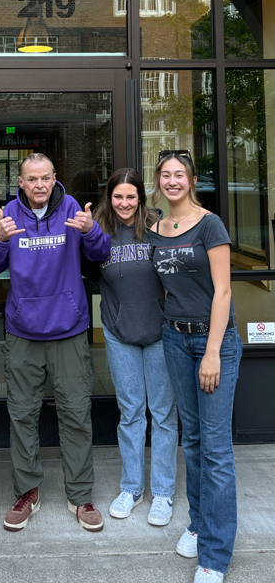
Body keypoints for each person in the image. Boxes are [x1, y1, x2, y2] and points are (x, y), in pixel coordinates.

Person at [0, 152, 111, 533]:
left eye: (45, 178)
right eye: (31, 179)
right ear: (19, 182)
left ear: (55, 178)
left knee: (76, 414)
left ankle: (80, 495)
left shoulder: (72, 209)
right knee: (22, 415)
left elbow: (101, 253)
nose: (39, 185)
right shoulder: (8, 215)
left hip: (68, 330)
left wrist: (90, 231)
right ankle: (27, 493)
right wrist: (0, 240)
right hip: (22, 332)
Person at [149, 151, 243, 583]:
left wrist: (210, 350)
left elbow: (222, 292)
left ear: (191, 179)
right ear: (158, 181)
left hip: (213, 342)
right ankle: (198, 523)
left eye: (179, 175)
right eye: (165, 175)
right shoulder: (157, 229)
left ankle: (216, 554)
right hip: (173, 338)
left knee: (217, 449)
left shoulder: (210, 225)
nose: (172, 181)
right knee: (194, 442)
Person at [93, 167, 178, 526]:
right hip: (118, 332)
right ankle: (131, 488)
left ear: (140, 198)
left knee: (162, 414)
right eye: (118, 197)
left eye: (131, 196)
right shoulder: (97, 232)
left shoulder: (160, 227)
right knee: (130, 414)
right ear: (109, 198)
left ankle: (162, 492)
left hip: (160, 331)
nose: (124, 203)